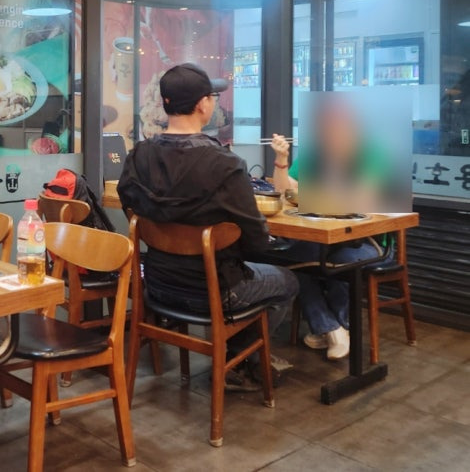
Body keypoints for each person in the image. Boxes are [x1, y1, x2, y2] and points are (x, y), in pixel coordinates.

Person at [119, 63, 298, 391]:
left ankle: (239, 359)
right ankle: (240, 359)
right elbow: (257, 242)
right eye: (213, 96)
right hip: (215, 291)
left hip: (157, 286)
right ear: (203, 104)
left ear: (165, 103)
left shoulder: (138, 156)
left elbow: (130, 205)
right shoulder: (225, 164)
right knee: (288, 280)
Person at [270, 133, 385, 361]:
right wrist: (281, 160)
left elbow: (364, 198)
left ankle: (333, 326)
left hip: (367, 241)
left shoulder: (373, 156)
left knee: (341, 262)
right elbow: (285, 191)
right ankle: (333, 329)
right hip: (322, 237)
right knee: (293, 260)